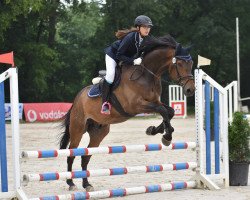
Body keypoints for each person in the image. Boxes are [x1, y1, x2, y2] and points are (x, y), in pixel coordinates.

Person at [101, 15, 153, 115]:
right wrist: (133, 61)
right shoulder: (130, 37)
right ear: (138, 28)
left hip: (127, 58)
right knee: (111, 75)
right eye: (144, 27)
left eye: (149, 27)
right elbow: (119, 55)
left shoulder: (146, 39)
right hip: (113, 56)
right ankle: (105, 104)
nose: (147, 29)